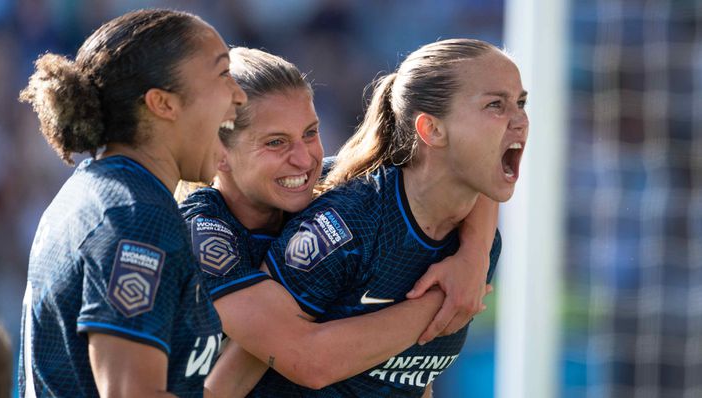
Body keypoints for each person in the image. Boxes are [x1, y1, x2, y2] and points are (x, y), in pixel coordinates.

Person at [178, 47, 502, 397]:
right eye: (275, 142)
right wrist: (447, 300)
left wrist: (473, 256)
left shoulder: (332, 187)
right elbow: (305, 359)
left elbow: (461, 173)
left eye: (310, 132)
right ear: (219, 153)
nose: (303, 159)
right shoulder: (201, 233)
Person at [18, 9, 246, 397]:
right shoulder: (136, 217)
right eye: (223, 73)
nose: (239, 95)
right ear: (163, 103)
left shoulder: (97, 189)